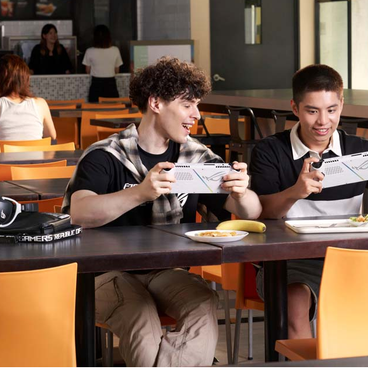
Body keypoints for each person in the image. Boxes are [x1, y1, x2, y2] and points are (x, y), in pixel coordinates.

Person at [61, 57, 262, 367]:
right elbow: (79, 212)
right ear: (155, 103)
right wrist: (140, 192)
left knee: (203, 305)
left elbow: (251, 211)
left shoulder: (196, 158)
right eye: (187, 105)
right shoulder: (106, 156)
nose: (197, 115)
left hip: (166, 270)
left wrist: (241, 191)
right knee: (141, 318)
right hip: (103, 274)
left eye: (197, 106)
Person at [248, 64, 368, 339]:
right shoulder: (270, 151)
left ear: (341, 106)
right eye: (312, 111)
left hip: (351, 258)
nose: (323, 121)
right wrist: (295, 192)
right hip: (287, 262)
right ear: (295, 108)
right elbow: (262, 213)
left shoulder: (360, 150)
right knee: (295, 301)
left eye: (331, 110)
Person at [83, 24, 123, 101]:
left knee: (94, 107)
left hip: (96, 85)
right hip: (111, 85)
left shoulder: (89, 51)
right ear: (109, 37)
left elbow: (87, 70)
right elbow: (117, 71)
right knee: (113, 108)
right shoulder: (115, 50)